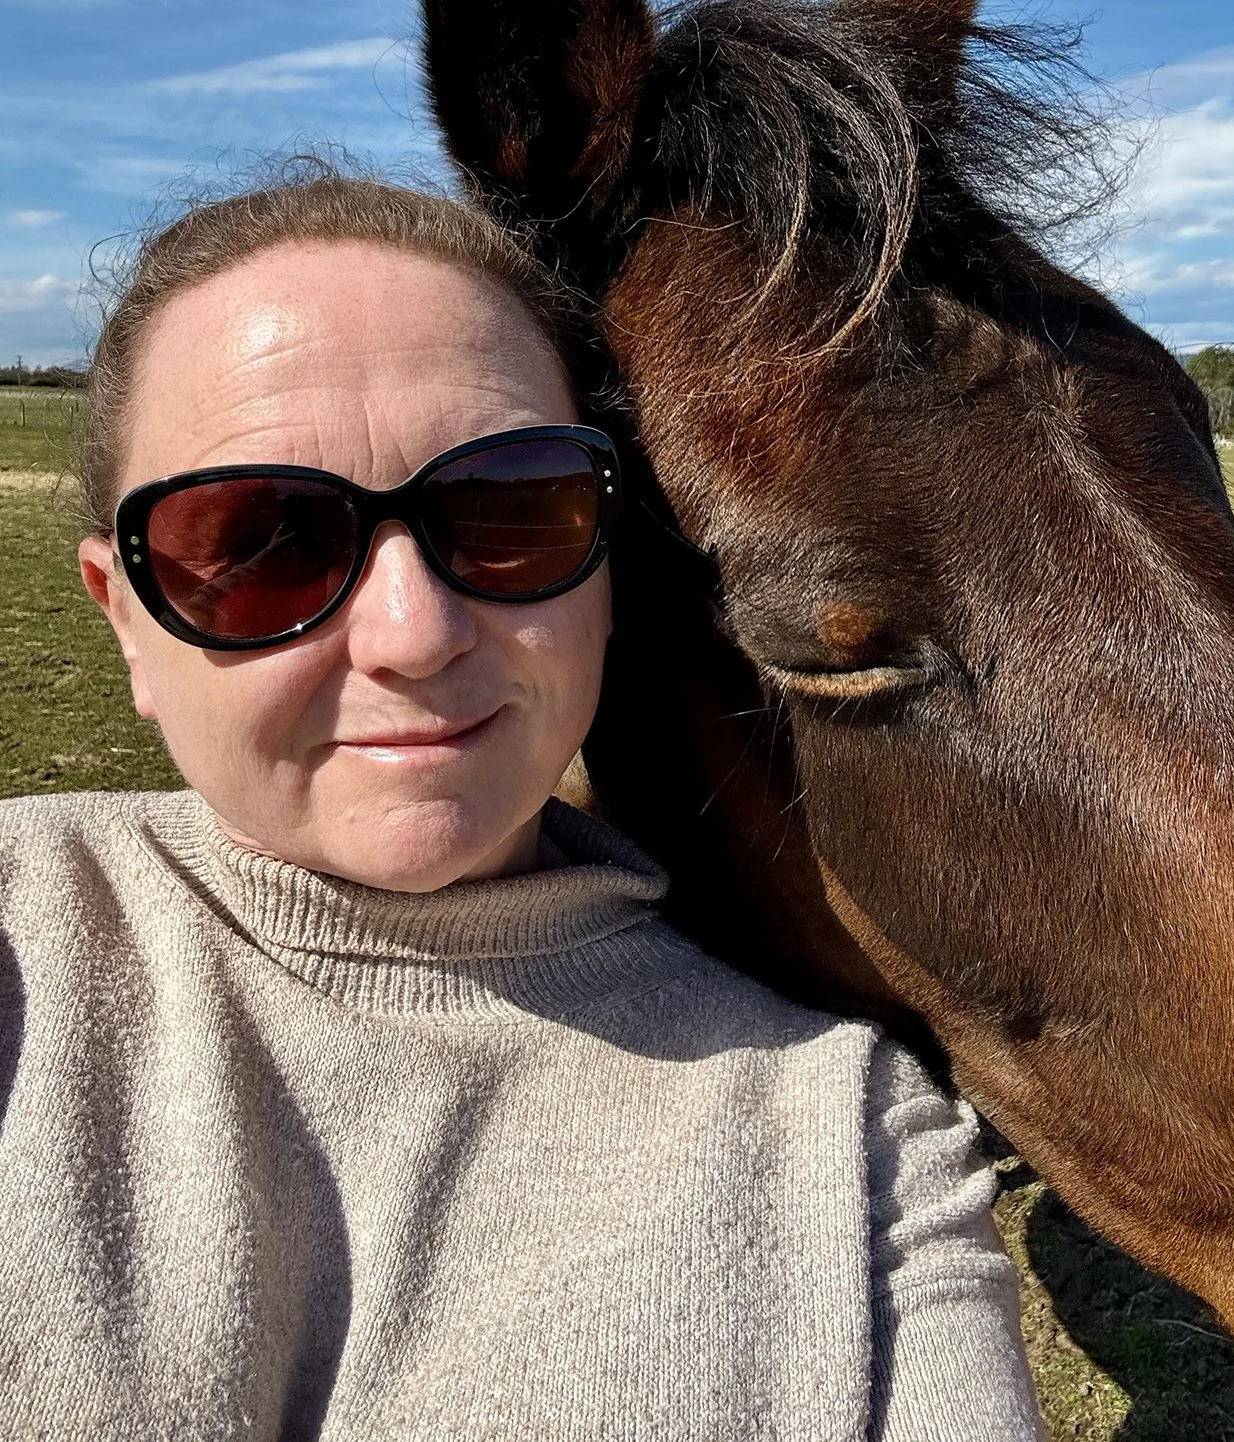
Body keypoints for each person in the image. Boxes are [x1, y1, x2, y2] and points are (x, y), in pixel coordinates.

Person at [0, 167, 1045, 1441]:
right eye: (264, 539)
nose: (415, 632)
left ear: (608, 566)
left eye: (508, 511)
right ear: (125, 617)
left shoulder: (852, 1131)